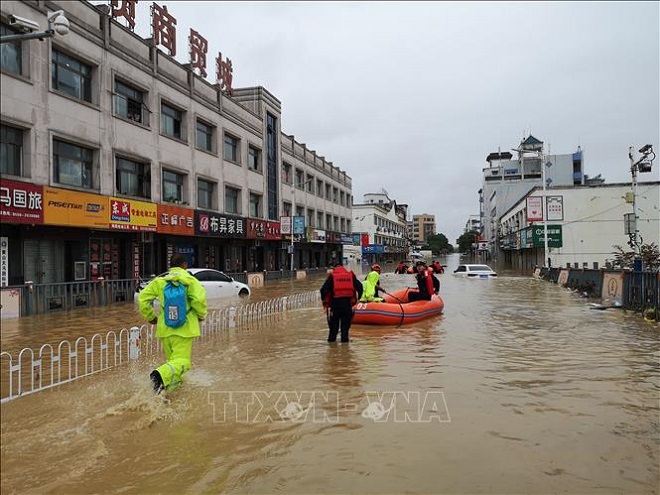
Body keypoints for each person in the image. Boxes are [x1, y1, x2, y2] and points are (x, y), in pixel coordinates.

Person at [138, 253, 207, 393]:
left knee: (173, 364)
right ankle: (159, 375)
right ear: (184, 265)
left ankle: (168, 392)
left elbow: (142, 298)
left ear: (170, 266)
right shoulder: (190, 281)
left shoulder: (160, 281)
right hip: (185, 329)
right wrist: (200, 315)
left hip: (165, 329)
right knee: (183, 363)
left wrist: (151, 316)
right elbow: (199, 301)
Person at [320, 261, 363, 343]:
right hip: (347, 306)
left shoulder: (332, 276)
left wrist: (324, 302)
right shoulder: (350, 275)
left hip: (335, 306)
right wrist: (358, 299)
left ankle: (332, 350)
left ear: (334, 268)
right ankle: (345, 349)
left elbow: (323, 290)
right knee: (345, 330)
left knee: (333, 330)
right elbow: (360, 287)